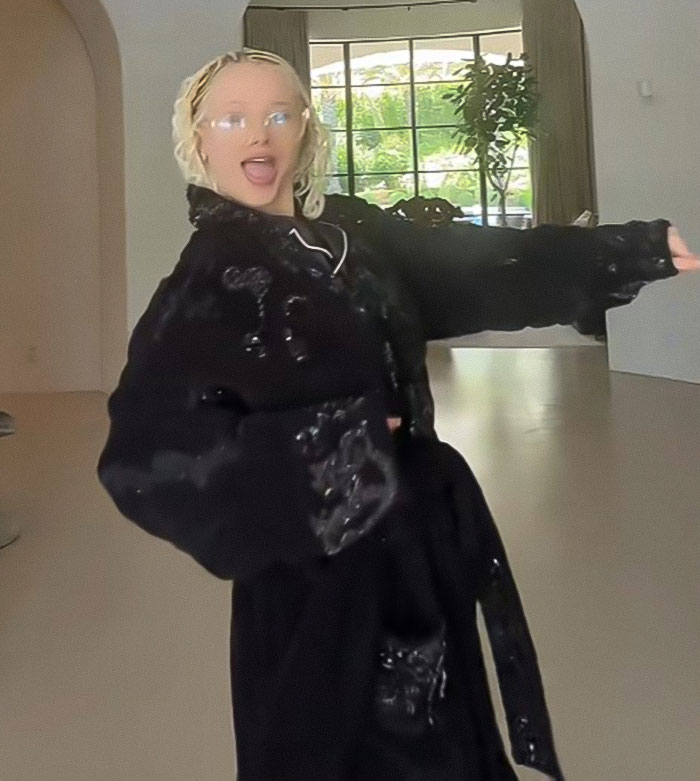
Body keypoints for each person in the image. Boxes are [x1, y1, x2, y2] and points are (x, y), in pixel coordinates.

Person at [96, 49, 699, 781]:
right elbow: (145, 454)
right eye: (234, 118)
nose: (260, 133)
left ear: (305, 130)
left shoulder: (355, 238)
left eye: (279, 113)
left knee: (448, 743)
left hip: (420, 549)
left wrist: (626, 251)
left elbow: (478, 266)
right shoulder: (203, 285)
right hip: (317, 593)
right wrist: (333, 452)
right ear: (201, 140)